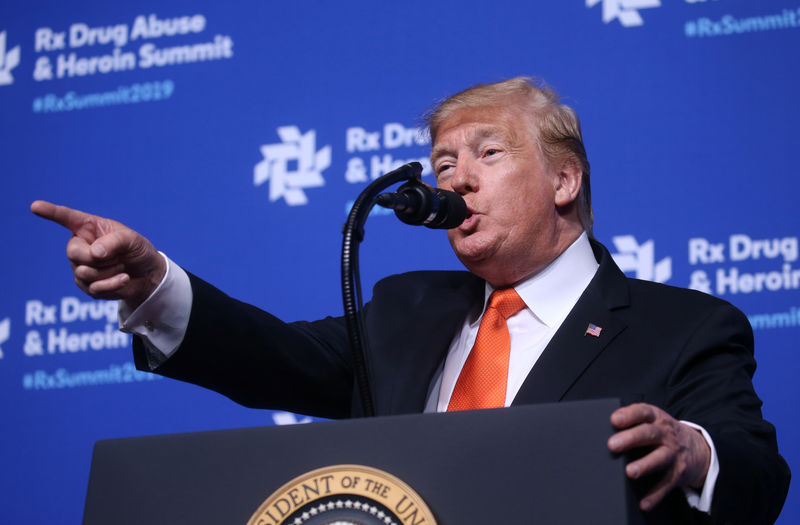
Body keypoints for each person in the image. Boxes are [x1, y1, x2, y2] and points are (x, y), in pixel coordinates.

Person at [32, 77, 789, 524]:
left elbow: (755, 468)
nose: (454, 180)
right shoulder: (405, 310)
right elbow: (276, 356)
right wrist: (155, 284)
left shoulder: (684, 325)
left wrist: (693, 450)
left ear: (564, 180)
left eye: (488, 154)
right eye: (443, 162)